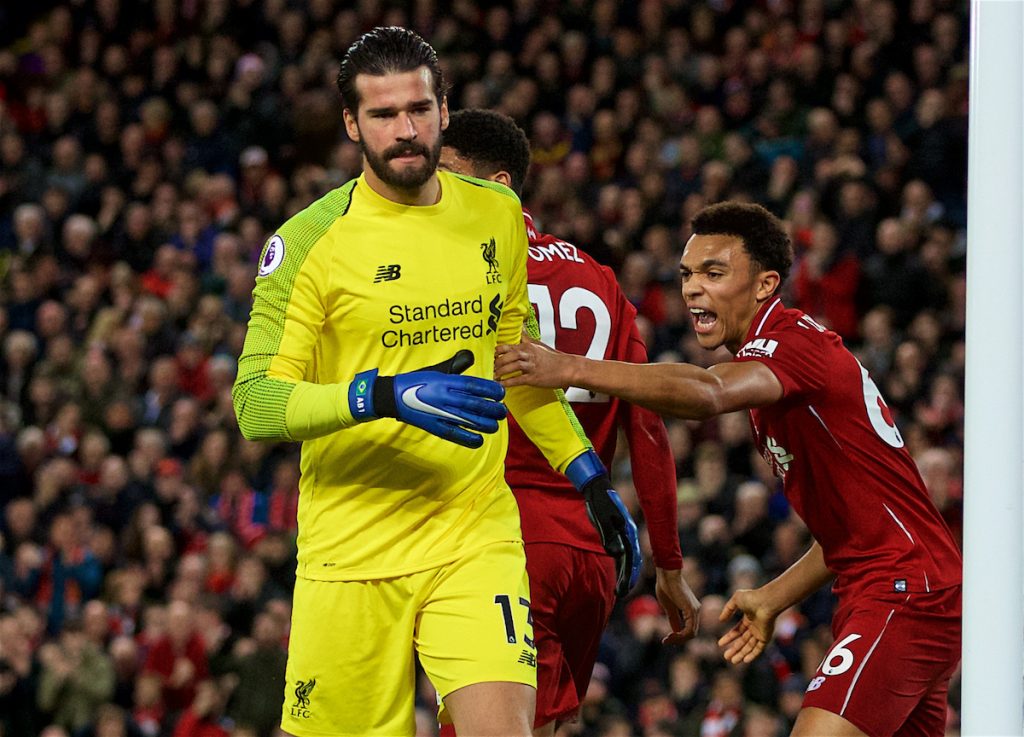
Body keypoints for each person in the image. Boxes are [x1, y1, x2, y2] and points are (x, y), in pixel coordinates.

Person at [232, 27, 639, 737]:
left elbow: (516, 366)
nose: (406, 130)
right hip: (352, 550)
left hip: (473, 534)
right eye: (383, 115)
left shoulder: (494, 213)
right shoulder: (306, 242)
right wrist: (380, 394)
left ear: (445, 109)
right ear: (352, 124)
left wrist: (589, 475)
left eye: (419, 109)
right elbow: (255, 403)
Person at [495, 201, 962, 737]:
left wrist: (568, 366)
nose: (693, 288)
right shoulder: (780, 366)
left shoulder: (792, 342)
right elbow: (852, 531)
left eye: (714, 273)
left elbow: (708, 391)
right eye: (687, 274)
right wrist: (773, 596)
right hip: (897, 586)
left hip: (904, 591)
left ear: (765, 285)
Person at [438, 108, 700, 736]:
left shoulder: (459, 273)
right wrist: (669, 563)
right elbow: (649, 427)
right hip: (590, 548)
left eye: (448, 175)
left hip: (505, 539)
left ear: (498, 185)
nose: (432, 191)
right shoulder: (599, 278)